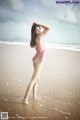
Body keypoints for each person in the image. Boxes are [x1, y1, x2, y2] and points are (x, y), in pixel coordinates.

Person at [22, 22, 50, 104]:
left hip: (36, 60)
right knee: (33, 80)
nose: (38, 30)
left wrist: (39, 27)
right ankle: (25, 99)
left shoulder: (35, 38)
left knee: (37, 79)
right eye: (36, 29)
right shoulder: (40, 36)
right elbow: (49, 28)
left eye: (39, 29)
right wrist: (39, 24)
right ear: (34, 31)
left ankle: (34, 96)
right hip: (38, 62)